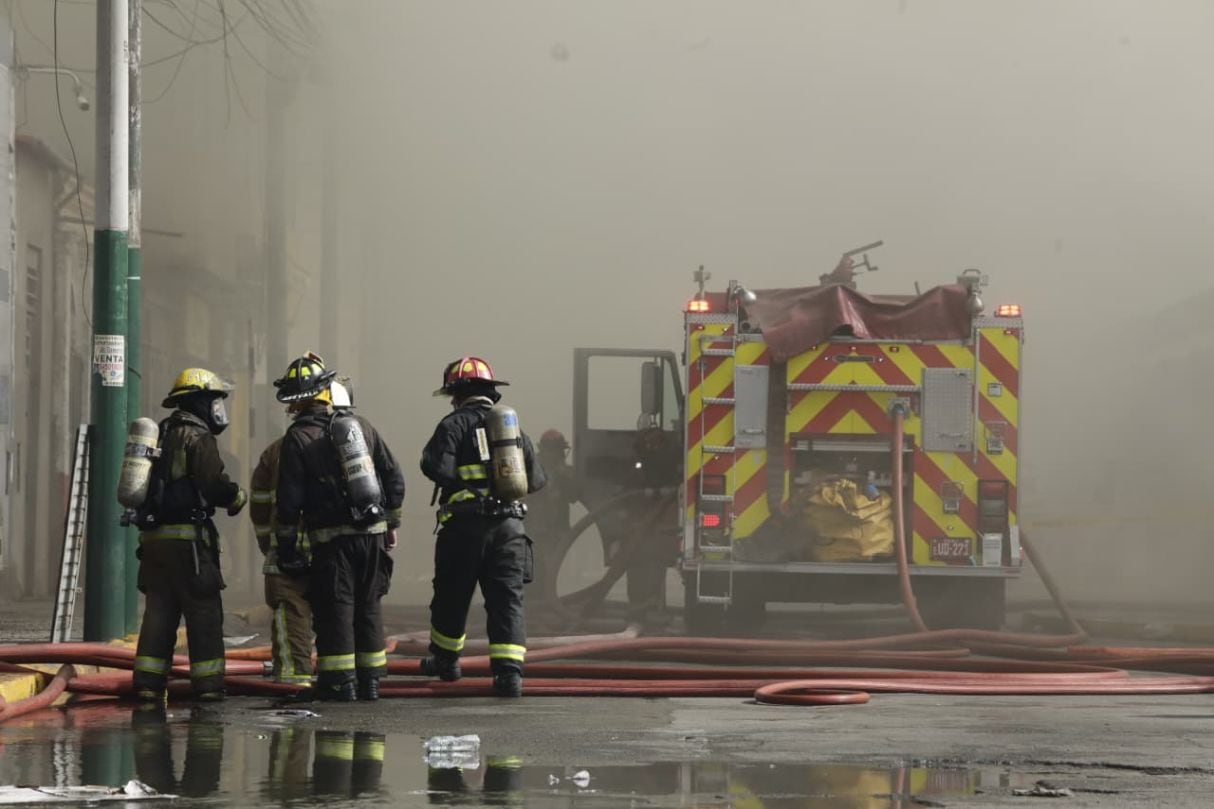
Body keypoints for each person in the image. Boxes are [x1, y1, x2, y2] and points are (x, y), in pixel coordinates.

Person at [274, 353, 405, 702]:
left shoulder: (297, 439)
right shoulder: (361, 427)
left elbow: (289, 501)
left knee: (337, 609)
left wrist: (287, 549)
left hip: (333, 543)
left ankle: (339, 682)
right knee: (369, 606)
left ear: (298, 400)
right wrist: (391, 523)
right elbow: (393, 477)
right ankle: (371, 681)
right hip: (373, 537)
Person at [419, 356, 546, 697]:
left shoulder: (453, 425)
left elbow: (435, 468)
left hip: (465, 527)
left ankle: (446, 662)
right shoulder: (514, 428)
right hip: (510, 528)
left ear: (457, 395)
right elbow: (536, 480)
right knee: (507, 600)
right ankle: (509, 675)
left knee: (452, 595)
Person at [131, 368, 247, 704]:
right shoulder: (197, 436)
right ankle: (208, 687)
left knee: (159, 613)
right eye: (213, 400)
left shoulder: (162, 432)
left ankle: (148, 685)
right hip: (189, 547)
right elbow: (212, 484)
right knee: (204, 613)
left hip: (153, 544)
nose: (217, 408)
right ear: (199, 401)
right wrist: (235, 496)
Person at [249, 356, 334, 685]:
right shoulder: (344, 443)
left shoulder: (275, 452)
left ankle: (293, 680)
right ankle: (338, 678)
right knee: (336, 616)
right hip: (332, 549)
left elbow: (259, 508)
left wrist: (269, 546)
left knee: (292, 617)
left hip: (286, 555)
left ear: (292, 406)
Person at [524, 429, 581, 602]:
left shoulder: (565, 472)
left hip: (556, 530)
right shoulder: (531, 469)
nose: (557, 455)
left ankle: (547, 602)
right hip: (533, 529)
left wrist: (565, 476)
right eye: (555, 450)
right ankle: (536, 603)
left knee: (551, 569)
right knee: (535, 568)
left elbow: (574, 495)